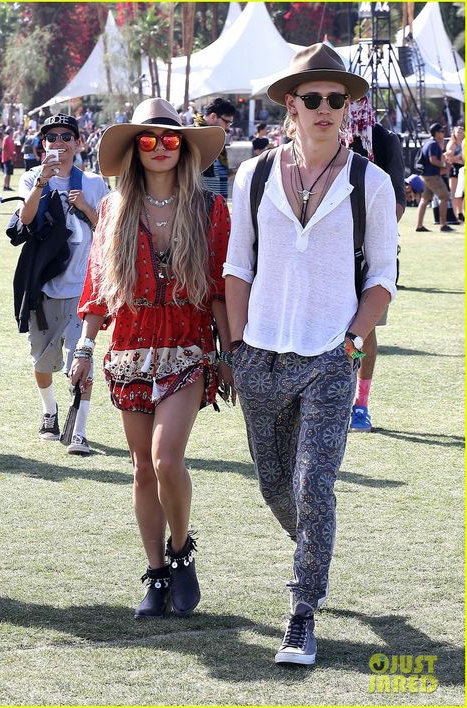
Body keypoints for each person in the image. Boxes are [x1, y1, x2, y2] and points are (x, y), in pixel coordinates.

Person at [224, 43, 397, 665]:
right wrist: (238, 346)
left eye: (338, 99)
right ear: (291, 106)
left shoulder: (369, 182)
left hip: (329, 356)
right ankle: (313, 548)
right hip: (261, 355)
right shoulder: (254, 176)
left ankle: (302, 614)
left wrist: (351, 341)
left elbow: (383, 275)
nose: (327, 108)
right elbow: (238, 264)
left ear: (349, 108)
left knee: (313, 483)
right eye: (313, 98)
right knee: (276, 486)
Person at [70, 98, 233, 618]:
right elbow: (99, 289)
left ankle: (182, 553)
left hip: (187, 347)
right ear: (135, 152)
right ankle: (156, 574)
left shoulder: (210, 209)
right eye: (147, 140)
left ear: (183, 147)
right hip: (131, 349)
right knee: (142, 469)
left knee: (166, 458)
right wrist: (84, 345)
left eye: (170, 139)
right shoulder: (115, 211)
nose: (160, 147)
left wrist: (228, 353)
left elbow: (219, 292)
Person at [15, 113, 109, 454]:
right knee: (43, 364)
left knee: (81, 359)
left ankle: (79, 432)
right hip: (43, 289)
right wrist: (42, 181)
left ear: (78, 143)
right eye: (51, 137)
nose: (59, 143)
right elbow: (24, 221)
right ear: (43, 145)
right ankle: (49, 411)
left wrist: (84, 205)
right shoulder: (31, 178)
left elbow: (109, 234)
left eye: (66, 136)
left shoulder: (95, 184)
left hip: (85, 291)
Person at [341, 96, 406, 432]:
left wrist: (373, 233)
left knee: (366, 329)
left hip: (370, 252)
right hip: (330, 251)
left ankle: (360, 404)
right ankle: (332, 398)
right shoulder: (326, 137)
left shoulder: (383, 139)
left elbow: (398, 199)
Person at [416, 123, 455, 233]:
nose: (443, 133)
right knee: (444, 196)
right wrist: (444, 165)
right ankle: (443, 225)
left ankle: (419, 226)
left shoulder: (429, 143)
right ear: (436, 133)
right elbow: (433, 160)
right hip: (432, 176)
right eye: (442, 131)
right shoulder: (433, 144)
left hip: (426, 175)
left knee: (425, 199)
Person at [194, 97, 236, 198]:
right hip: (200, 204)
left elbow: (216, 170)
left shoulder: (217, 136)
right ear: (213, 116)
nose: (228, 127)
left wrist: (231, 171)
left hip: (217, 204)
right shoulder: (192, 135)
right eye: (227, 122)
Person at [445, 124, 465, 222]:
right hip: (455, 168)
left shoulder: (464, 143)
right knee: (455, 193)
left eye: (462, 132)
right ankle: (455, 215)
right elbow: (448, 158)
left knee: (462, 194)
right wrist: (459, 157)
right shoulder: (452, 144)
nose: (460, 134)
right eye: (458, 132)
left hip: (463, 168)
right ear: (454, 133)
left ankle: (461, 212)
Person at [1, 127, 16, 191]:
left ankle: (8, 186)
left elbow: (12, 149)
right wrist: (9, 156)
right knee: (6, 173)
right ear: (9, 132)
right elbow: (3, 148)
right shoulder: (6, 138)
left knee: (9, 173)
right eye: (12, 131)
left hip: (11, 158)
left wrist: (13, 154)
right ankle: (5, 186)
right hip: (6, 158)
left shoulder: (11, 139)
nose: (13, 132)